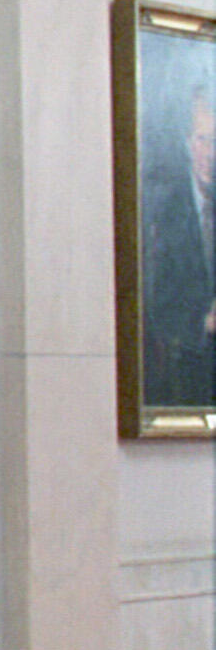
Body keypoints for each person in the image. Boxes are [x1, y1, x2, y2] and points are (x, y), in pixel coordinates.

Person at [139, 76, 216, 411]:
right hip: (186, 382)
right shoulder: (164, 211)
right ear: (187, 142)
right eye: (205, 140)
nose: (212, 154)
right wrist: (205, 322)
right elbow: (154, 308)